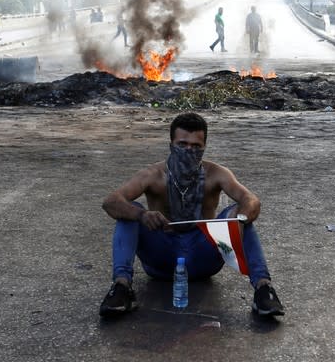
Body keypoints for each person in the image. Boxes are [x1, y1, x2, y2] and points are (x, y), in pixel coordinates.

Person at [99, 112, 285, 318]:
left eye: (196, 146)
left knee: (238, 215)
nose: (189, 150)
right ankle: (121, 287)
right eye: (182, 144)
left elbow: (251, 201)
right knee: (128, 212)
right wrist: (142, 215)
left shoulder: (217, 173)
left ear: (205, 146)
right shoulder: (152, 175)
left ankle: (263, 288)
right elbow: (111, 202)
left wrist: (240, 219)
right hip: (162, 260)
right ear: (171, 144)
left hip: (203, 258)